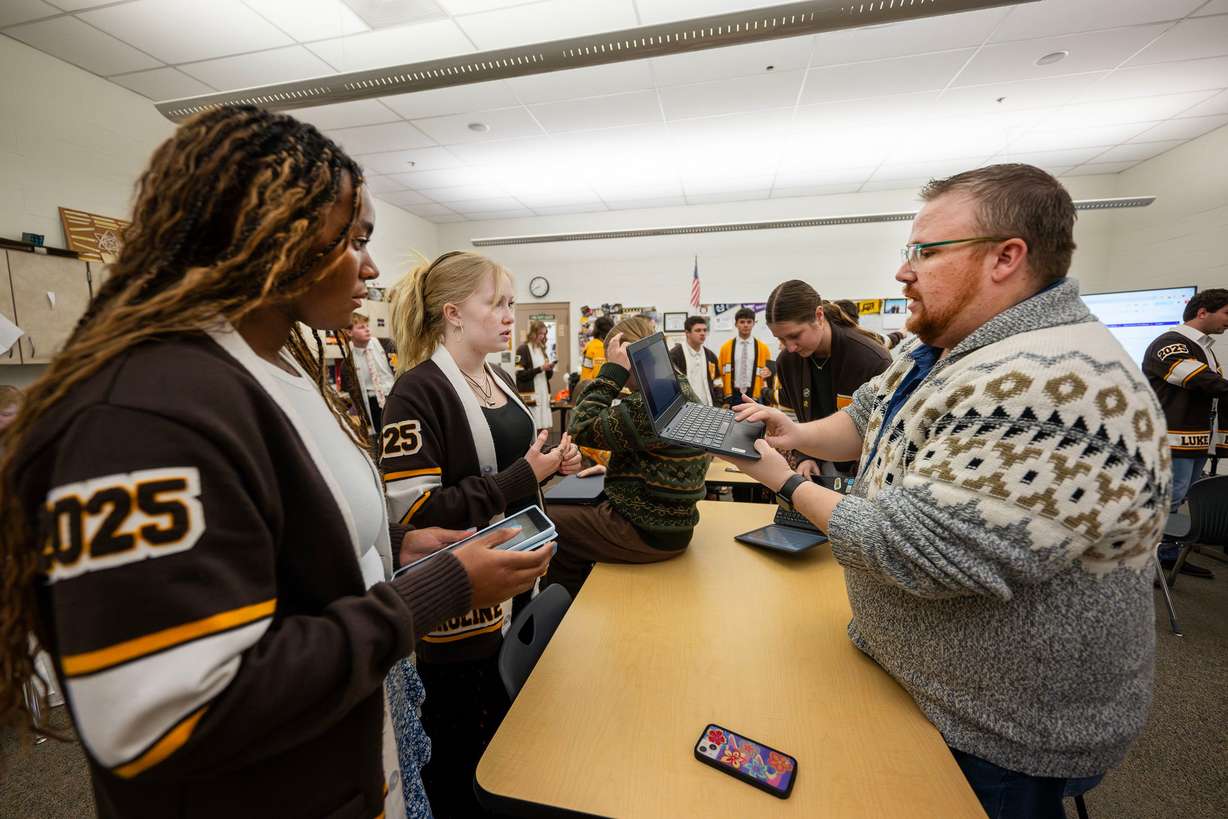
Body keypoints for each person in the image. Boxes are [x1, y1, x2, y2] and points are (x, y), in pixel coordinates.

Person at [0, 106, 551, 819]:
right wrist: (427, 595)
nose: (373, 265)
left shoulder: (275, 365)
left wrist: (395, 550)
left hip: (336, 755)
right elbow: (164, 717)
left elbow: (292, 550)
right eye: (354, 240)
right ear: (267, 237)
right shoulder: (146, 410)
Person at [727, 164, 1168, 819]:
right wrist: (795, 433)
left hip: (997, 730)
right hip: (929, 685)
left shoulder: (1049, 382)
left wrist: (785, 481)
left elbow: (914, 549)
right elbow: (866, 415)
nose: (906, 270)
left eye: (926, 252)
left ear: (1006, 257)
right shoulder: (951, 346)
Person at [383, 250, 581, 818]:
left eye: (510, 304)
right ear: (452, 313)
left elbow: (508, 468)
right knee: (461, 748)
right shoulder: (416, 392)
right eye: (495, 303)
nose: (507, 315)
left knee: (503, 728)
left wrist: (551, 462)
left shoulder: (493, 376)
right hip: (461, 608)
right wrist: (525, 474)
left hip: (514, 580)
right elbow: (418, 510)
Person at [544, 317, 709, 597]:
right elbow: (655, 453)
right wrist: (610, 466)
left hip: (648, 531)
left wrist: (612, 374)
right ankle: (578, 597)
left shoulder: (648, 406)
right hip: (673, 524)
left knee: (548, 521)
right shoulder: (674, 387)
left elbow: (579, 427)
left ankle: (560, 612)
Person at [1143, 287, 1228, 578]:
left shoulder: (1204, 346)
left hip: (1194, 441)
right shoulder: (1169, 342)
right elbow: (1197, 379)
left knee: (1179, 500)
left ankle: (1167, 556)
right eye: (1226, 313)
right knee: (1167, 500)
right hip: (1173, 440)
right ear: (1202, 312)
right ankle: (1144, 563)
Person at [767, 283, 891, 478]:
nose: (789, 347)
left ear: (819, 316)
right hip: (815, 462)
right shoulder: (788, 361)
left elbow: (884, 432)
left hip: (862, 469)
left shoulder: (870, 359)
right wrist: (803, 456)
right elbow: (793, 415)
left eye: (795, 336)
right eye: (781, 339)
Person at [344, 310, 395, 432]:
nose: (367, 330)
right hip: (372, 404)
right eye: (361, 327)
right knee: (381, 436)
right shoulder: (347, 364)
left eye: (367, 326)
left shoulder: (386, 344)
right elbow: (353, 394)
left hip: (393, 396)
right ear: (349, 332)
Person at [718, 307, 772, 405]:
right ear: (736, 324)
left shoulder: (763, 348)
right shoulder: (725, 348)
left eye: (749, 322)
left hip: (755, 395)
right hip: (732, 395)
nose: (745, 325)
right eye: (742, 322)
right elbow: (720, 373)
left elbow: (767, 374)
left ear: (753, 323)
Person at [668, 315, 722, 406]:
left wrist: (720, 401)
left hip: (709, 406)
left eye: (704, 330)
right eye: (698, 330)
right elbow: (672, 386)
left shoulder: (711, 356)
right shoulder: (674, 356)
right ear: (687, 333)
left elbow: (717, 381)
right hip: (685, 407)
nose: (702, 333)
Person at [516, 319, 555, 433]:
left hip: (542, 392)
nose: (542, 337)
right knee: (532, 426)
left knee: (543, 426)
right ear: (533, 333)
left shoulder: (542, 350)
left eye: (544, 334)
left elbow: (548, 376)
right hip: (530, 394)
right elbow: (520, 374)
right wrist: (540, 368)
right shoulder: (522, 349)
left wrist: (549, 369)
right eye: (540, 334)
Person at [579, 315, 614, 380]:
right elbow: (599, 375)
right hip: (591, 386)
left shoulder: (591, 344)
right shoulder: (599, 347)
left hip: (585, 384)